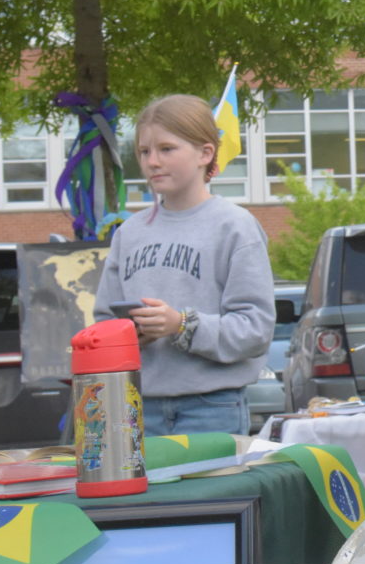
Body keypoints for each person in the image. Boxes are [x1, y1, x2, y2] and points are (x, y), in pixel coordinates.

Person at [96, 95, 274, 435]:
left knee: (210, 492)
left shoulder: (235, 226)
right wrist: (130, 334)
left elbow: (255, 330)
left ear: (205, 154)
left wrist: (181, 325)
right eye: (144, 152)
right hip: (137, 406)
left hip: (212, 407)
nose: (152, 162)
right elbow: (104, 320)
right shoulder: (129, 233)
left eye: (167, 149)